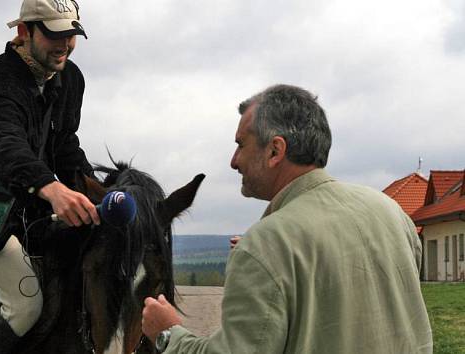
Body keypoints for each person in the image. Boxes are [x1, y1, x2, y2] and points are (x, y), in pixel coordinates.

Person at [142, 84, 433, 353]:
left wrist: (169, 334)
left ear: (275, 151)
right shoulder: (392, 213)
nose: (233, 161)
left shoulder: (266, 243)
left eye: (241, 144)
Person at [0, 0, 100, 353]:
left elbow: (65, 145)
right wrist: (51, 187)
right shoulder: (0, 82)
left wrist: (96, 190)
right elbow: (4, 145)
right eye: (54, 35)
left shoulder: (70, 77)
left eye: (71, 34)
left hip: (36, 203)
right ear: (24, 31)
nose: (64, 44)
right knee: (25, 306)